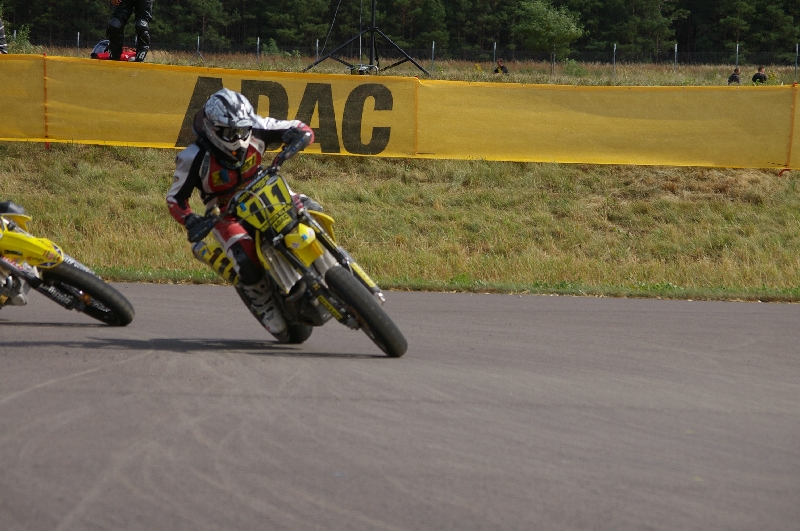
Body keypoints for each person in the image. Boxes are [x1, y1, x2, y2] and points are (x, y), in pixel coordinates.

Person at [166, 89, 316, 340]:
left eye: (242, 130)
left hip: (266, 190)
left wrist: (299, 138)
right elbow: (175, 198)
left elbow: (302, 127)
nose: (238, 138)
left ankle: (330, 261)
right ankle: (263, 301)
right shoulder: (192, 156)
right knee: (245, 258)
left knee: (313, 209)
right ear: (212, 129)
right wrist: (190, 219)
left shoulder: (257, 126)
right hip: (226, 212)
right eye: (230, 133)